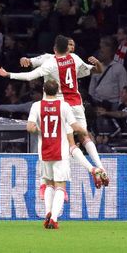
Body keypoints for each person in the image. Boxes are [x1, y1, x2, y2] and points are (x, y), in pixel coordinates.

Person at [0, 36, 109, 186]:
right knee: (85, 136)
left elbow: (29, 76)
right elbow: (96, 70)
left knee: (70, 143)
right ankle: (101, 167)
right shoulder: (74, 59)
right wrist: (27, 60)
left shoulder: (50, 63)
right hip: (77, 103)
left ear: (55, 48)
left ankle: (91, 170)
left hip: (61, 105)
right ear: (67, 49)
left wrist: (8, 74)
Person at [27, 80, 96, 229]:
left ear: (43, 90)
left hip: (44, 151)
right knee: (60, 185)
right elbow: (74, 126)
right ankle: (54, 218)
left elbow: (29, 127)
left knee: (48, 183)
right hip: (61, 151)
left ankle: (48, 212)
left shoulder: (36, 106)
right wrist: (85, 131)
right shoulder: (63, 106)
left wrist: (41, 131)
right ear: (58, 91)